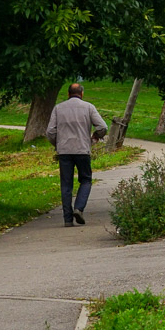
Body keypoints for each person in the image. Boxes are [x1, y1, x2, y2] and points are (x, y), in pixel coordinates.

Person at [46, 83, 106, 227]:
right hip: (82, 150)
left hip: (64, 151)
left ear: (68, 94)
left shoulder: (58, 108)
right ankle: (79, 208)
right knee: (85, 179)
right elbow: (103, 126)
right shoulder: (88, 107)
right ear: (82, 93)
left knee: (66, 184)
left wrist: (58, 144)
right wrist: (95, 137)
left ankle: (67, 219)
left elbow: (50, 131)